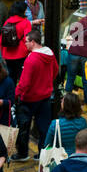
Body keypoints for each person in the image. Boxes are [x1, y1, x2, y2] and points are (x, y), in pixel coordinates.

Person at [13, 28, 58, 163]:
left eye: (26, 41)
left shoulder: (31, 59)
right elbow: (55, 71)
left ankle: (22, 153)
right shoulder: (50, 54)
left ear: (33, 42)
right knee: (44, 127)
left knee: (23, 127)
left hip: (29, 99)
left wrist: (16, 94)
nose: (24, 44)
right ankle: (42, 154)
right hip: (45, 97)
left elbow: (24, 83)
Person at [0, 9, 32, 86]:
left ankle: (12, 94)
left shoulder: (7, 22)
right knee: (22, 77)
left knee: (11, 76)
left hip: (8, 54)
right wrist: (30, 52)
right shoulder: (26, 22)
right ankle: (21, 95)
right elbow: (27, 38)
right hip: (22, 54)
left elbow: (1, 39)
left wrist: (3, 53)